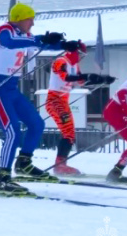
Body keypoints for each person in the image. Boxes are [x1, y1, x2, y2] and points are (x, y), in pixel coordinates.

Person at [0, 2, 79, 194]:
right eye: (30, 20)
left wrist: (65, 45)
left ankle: (24, 163)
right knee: (13, 132)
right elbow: (10, 42)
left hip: (11, 88)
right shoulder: (3, 31)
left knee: (36, 124)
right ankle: (3, 178)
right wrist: (40, 39)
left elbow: (38, 42)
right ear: (19, 19)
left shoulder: (26, 35)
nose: (33, 24)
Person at [45, 43, 116, 175]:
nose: (81, 58)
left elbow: (82, 82)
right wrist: (85, 76)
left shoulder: (75, 66)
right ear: (73, 52)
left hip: (63, 101)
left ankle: (61, 164)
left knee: (70, 134)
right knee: (68, 133)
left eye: (83, 55)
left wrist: (101, 80)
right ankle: (59, 165)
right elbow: (65, 77)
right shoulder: (60, 61)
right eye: (80, 54)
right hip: (54, 101)